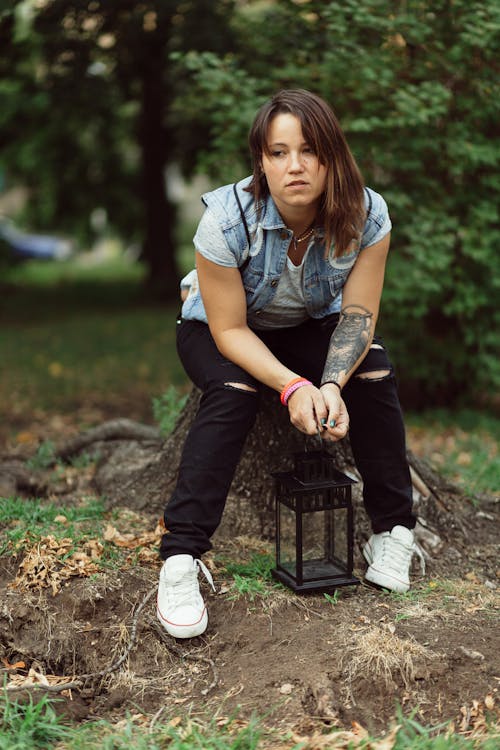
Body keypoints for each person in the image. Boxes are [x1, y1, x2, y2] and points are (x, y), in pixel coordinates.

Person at [156, 89, 418, 639]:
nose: (294, 165)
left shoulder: (368, 216)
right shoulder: (226, 220)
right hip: (218, 328)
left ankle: (392, 530)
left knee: (373, 370)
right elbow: (229, 329)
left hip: (307, 325)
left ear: (332, 155)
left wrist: (331, 382)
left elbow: (359, 314)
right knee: (232, 391)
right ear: (262, 161)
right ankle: (181, 558)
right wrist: (294, 388)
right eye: (278, 153)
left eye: (308, 150)